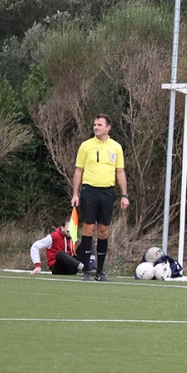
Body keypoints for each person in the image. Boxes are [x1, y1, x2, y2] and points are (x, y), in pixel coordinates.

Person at [71, 114, 128, 282]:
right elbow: (78, 170)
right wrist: (76, 193)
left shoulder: (116, 147)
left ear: (108, 128)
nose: (96, 127)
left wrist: (124, 195)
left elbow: (120, 171)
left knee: (103, 231)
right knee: (88, 229)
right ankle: (87, 270)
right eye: (94, 124)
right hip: (89, 191)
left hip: (107, 192)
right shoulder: (86, 146)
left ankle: (100, 271)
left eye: (99, 125)